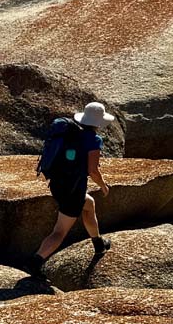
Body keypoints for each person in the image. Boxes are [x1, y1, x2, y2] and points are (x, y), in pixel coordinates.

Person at [27, 102, 114, 275]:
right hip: (72, 190)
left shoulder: (69, 132)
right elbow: (93, 170)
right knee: (59, 232)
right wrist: (103, 185)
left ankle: (98, 243)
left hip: (58, 184)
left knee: (89, 204)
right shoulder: (93, 139)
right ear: (98, 122)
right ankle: (34, 263)